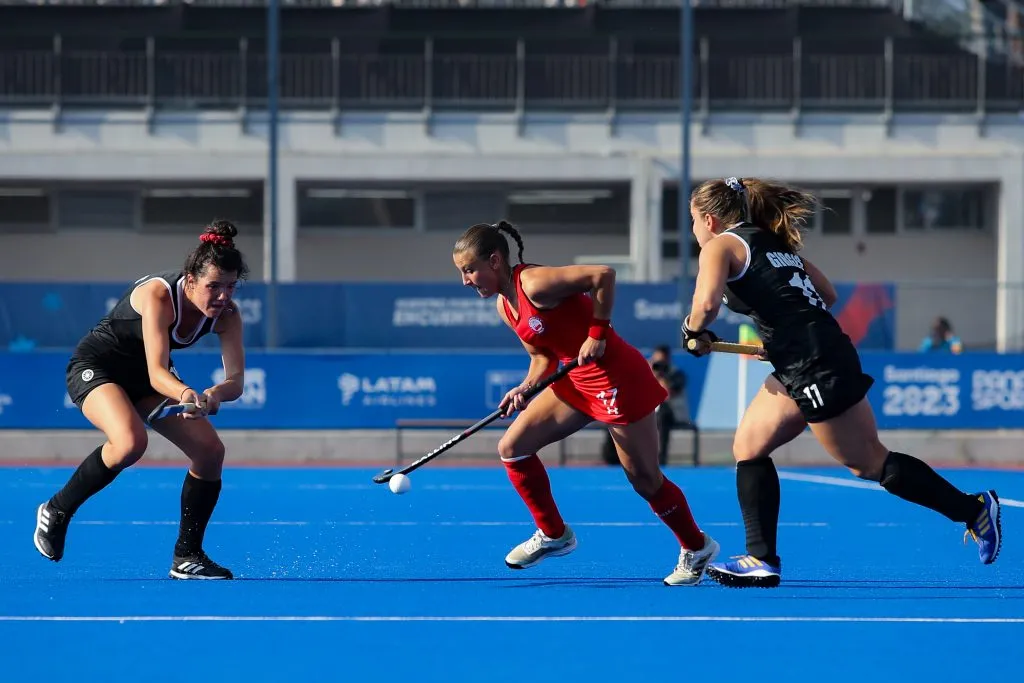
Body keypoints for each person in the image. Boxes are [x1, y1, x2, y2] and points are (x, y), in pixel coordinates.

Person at [680, 177, 1000, 588]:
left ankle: (973, 510)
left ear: (708, 219)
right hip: (804, 355)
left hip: (814, 361)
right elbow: (826, 295)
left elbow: (704, 307)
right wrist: (777, 336)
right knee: (749, 446)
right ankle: (761, 558)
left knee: (868, 462)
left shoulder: (720, 246)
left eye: (692, 221)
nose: (694, 231)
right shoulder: (773, 243)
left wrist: (691, 331)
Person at [453, 221, 719, 586]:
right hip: (577, 382)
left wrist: (597, 333)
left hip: (618, 379)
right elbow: (542, 358)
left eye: (469, 270)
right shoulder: (504, 305)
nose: (466, 280)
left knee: (645, 480)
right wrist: (525, 388)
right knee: (513, 447)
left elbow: (603, 275)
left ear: (495, 260)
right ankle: (554, 534)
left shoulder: (534, 284)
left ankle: (696, 546)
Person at [33, 220, 248, 580]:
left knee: (210, 451)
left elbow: (236, 381)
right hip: (99, 367)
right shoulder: (159, 295)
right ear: (190, 280)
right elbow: (156, 373)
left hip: (150, 379)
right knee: (131, 442)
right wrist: (185, 393)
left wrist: (213, 395)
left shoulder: (227, 315)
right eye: (214, 286)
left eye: (231, 286)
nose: (224, 296)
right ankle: (56, 509)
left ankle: (187, 556)